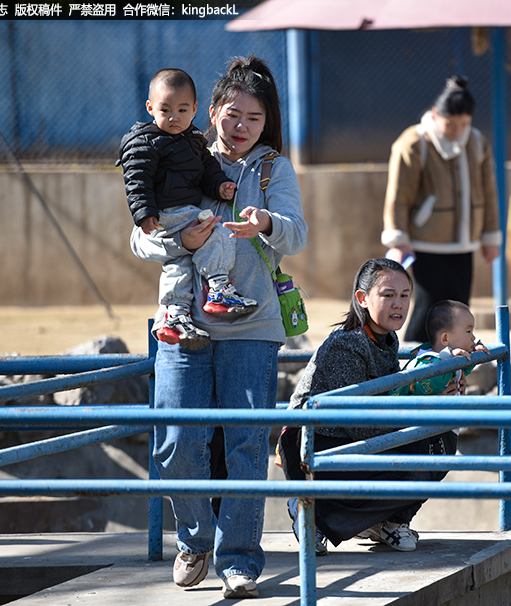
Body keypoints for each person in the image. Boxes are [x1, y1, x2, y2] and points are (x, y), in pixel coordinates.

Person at [129, 56, 307, 599]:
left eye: (254, 118)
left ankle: (239, 559)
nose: (242, 127)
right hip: (183, 325)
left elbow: (297, 235)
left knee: (247, 446)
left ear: (266, 121)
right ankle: (194, 539)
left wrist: (267, 223)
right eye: (233, 114)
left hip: (252, 326)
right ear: (211, 112)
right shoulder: (175, 147)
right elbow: (138, 238)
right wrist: (176, 243)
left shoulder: (274, 168)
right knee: (177, 441)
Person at [279, 258, 458, 556]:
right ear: (362, 299)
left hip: (353, 442)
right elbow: (358, 423)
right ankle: (311, 510)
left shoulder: (387, 338)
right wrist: (421, 406)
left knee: (441, 441)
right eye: (388, 295)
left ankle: (386, 521)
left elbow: (393, 396)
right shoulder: (347, 344)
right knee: (426, 444)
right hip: (315, 446)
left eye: (404, 295)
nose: (398, 304)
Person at [119, 68, 257, 351]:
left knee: (179, 265)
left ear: (194, 110)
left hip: (184, 210)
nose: (174, 117)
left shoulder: (193, 139)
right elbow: (137, 179)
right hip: (169, 213)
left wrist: (219, 185)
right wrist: (144, 212)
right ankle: (218, 287)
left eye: (182, 109)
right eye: (165, 109)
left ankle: (176, 315)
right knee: (217, 233)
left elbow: (206, 169)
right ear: (150, 108)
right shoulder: (144, 142)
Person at [381, 75, 502, 343]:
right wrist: (398, 239)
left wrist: (490, 236)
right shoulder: (413, 143)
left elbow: (489, 192)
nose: (457, 131)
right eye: (450, 124)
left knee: (458, 309)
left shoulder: (477, 142)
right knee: (427, 307)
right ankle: (410, 363)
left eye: (464, 124)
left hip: (464, 243)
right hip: (426, 243)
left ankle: (451, 366)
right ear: (436, 115)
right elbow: (398, 195)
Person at [396, 299, 488, 397]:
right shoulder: (426, 361)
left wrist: (474, 353)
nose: (473, 337)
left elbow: (464, 370)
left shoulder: (454, 359)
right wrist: (448, 357)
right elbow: (433, 381)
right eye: (468, 331)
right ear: (445, 338)